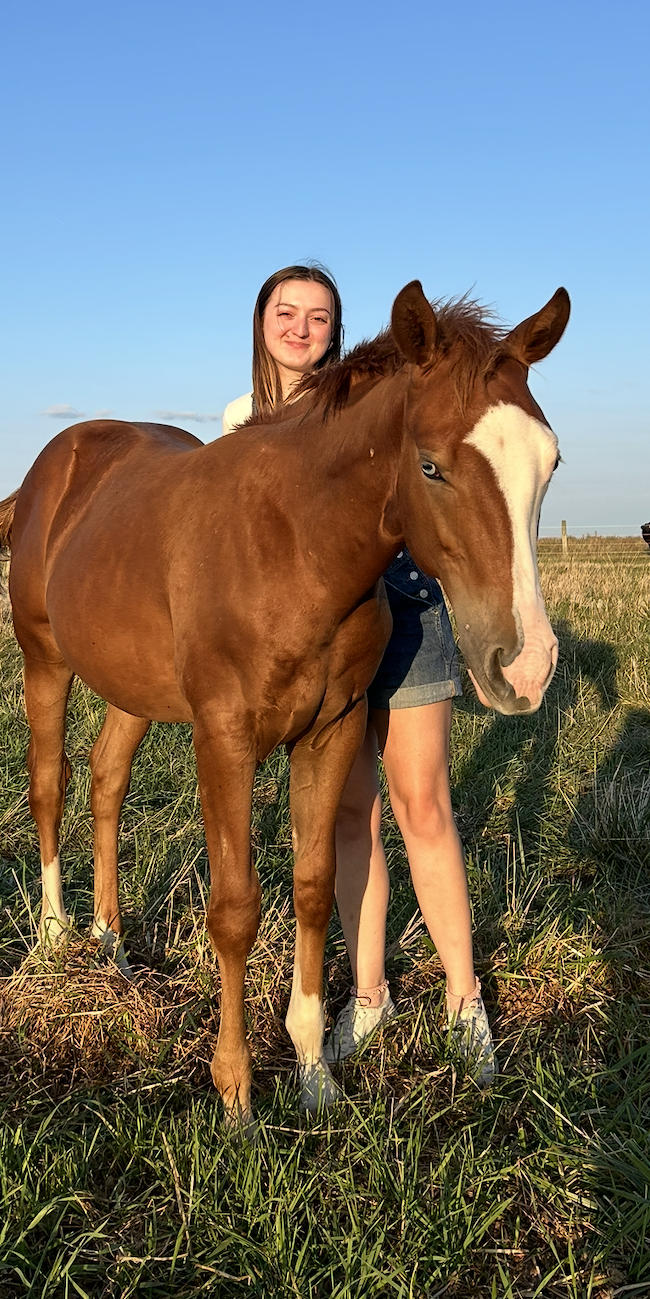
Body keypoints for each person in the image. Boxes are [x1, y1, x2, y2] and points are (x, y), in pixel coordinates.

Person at [224, 263, 495, 1086]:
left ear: (338, 331)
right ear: (261, 320)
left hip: (403, 606)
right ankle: (369, 994)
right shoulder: (242, 423)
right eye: (286, 311)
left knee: (423, 802)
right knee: (348, 816)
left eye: (318, 315)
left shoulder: (370, 399)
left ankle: (463, 998)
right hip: (312, 635)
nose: (301, 327)